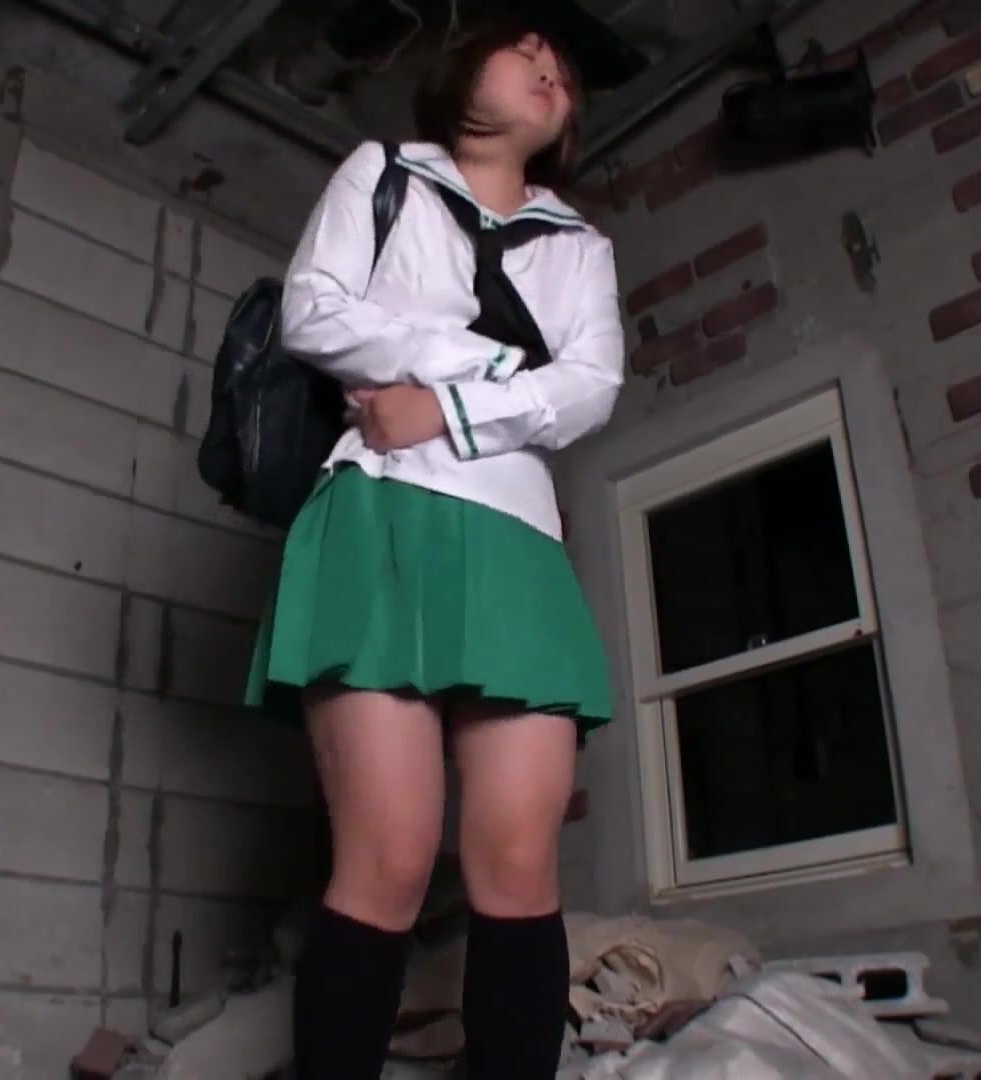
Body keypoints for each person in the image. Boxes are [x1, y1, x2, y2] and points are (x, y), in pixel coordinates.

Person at [242, 20, 624, 1080]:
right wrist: (487, 365)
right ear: (462, 75)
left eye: (564, 75)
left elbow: (590, 388)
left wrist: (442, 408)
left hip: (515, 538)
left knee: (519, 865)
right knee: (391, 859)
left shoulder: (580, 247)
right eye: (527, 54)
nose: (550, 73)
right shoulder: (382, 176)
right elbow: (314, 314)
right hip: (381, 511)